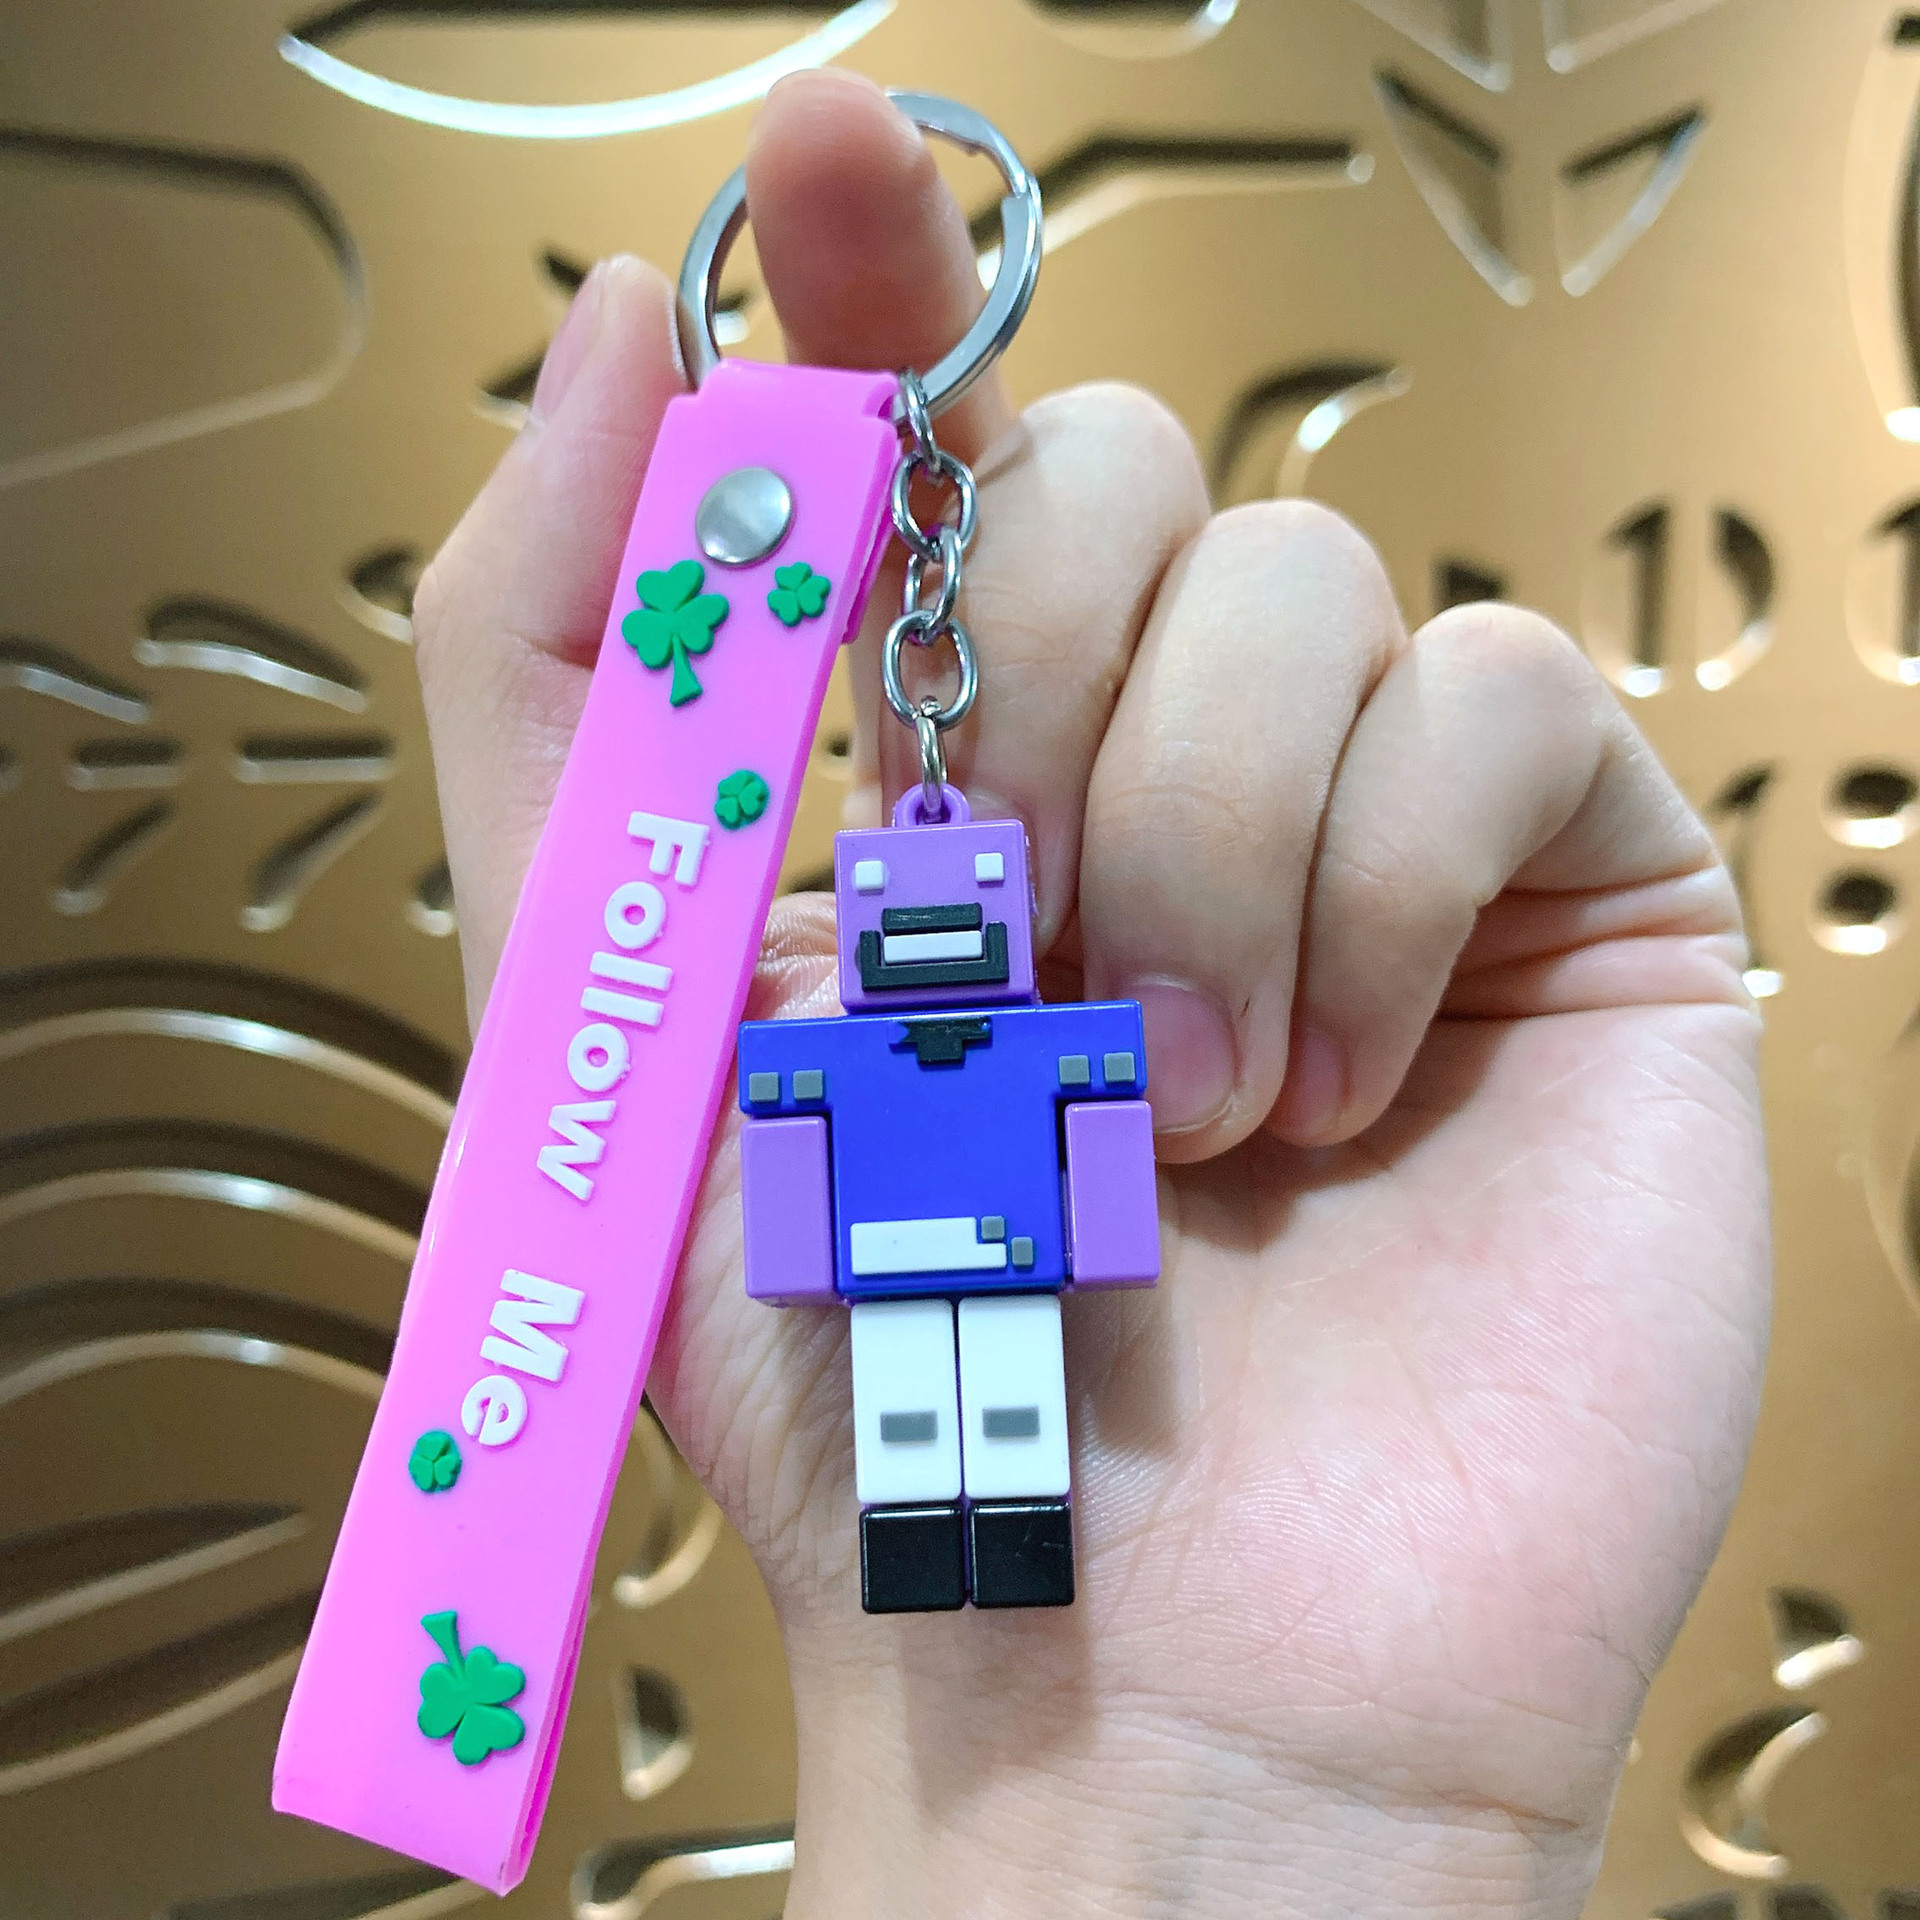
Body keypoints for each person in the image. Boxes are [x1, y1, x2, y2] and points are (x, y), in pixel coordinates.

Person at [411, 68, 1769, 1920]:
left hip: (979, 1258)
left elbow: (1091, 1138)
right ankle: (977, 1585)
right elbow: (799, 1146)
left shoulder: (1041, 1042)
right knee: (924, 1443)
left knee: (991, 1437)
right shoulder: (842, 1057)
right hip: (910, 1273)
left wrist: (1328, 1828)